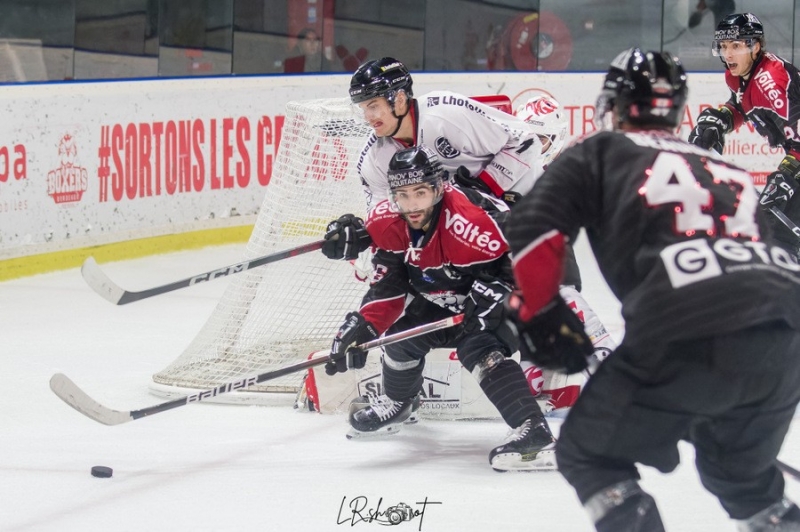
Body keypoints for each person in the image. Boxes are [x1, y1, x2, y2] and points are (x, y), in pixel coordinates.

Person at [504, 46, 800, 531]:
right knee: (739, 477)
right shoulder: (727, 170)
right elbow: (767, 260)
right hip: (785, 335)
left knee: (587, 451)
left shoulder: (601, 149)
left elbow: (533, 225)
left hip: (685, 323)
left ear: (614, 105)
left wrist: (540, 309)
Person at [325, 144, 557, 472]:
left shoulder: (469, 221)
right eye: (403, 195)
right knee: (400, 339)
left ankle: (534, 430)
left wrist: (500, 288)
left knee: (478, 346)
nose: (411, 205)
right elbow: (389, 286)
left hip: (514, 298)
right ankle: (400, 402)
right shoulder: (390, 223)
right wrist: (363, 327)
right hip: (448, 299)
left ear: (437, 189)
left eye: (420, 193)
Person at [688, 13, 800, 256]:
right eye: (724, 46)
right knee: (773, 234)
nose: (728, 54)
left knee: (777, 239)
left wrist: (786, 177)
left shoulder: (771, 83)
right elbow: (742, 105)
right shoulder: (739, 75)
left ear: (755, 46)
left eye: (736, 46)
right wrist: (722, 119)